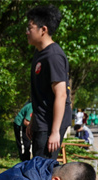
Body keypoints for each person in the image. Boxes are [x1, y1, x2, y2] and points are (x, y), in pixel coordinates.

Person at [25, 5, 72, 159]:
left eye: (30, 28)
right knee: (38, 167)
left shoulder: (53, 56)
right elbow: (41, 95)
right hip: (42, 120)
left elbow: (61, 95)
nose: (27, 32)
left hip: (51, 123)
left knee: (43, 170)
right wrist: (33, 120)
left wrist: (55, 132)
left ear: (43, 30)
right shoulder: (39, 53)